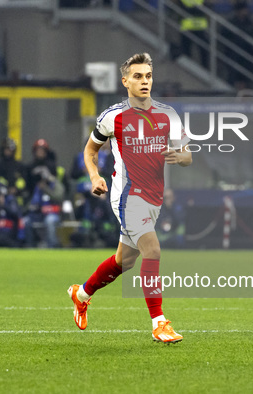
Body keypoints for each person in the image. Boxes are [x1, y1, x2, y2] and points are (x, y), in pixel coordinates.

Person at [67, 53, 192, 343]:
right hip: (127, 195)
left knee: (125, 261)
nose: (144, 81)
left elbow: (188, 155)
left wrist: (182, 157)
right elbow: (90, 151)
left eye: (148, 76)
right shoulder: (113, 117)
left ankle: (81, 293)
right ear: (125, 81)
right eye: (138, 76)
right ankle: (159, 323)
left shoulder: (167, 114)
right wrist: (95, 177)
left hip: (154, 197)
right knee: (153, 250)